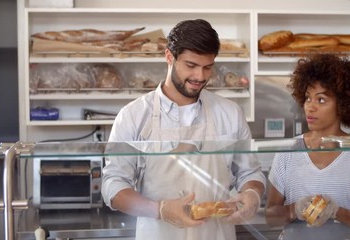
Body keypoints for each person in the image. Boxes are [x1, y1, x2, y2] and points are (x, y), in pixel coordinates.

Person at [101, 19, 266, 240]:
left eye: (207, 67)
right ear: (169, 57)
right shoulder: (133, 116)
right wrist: (159, 210)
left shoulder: (230, 113)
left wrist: (252, 194)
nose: (200, 76)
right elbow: (113, 185)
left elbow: (250, 172)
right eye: (191, 65)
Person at [265, 53, 350, 239]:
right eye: (307, 98)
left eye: (321, 100)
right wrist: (294, 210)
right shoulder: (288, 151)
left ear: (343, 104)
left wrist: (336, 211)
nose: (310, 107)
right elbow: (271, 216)